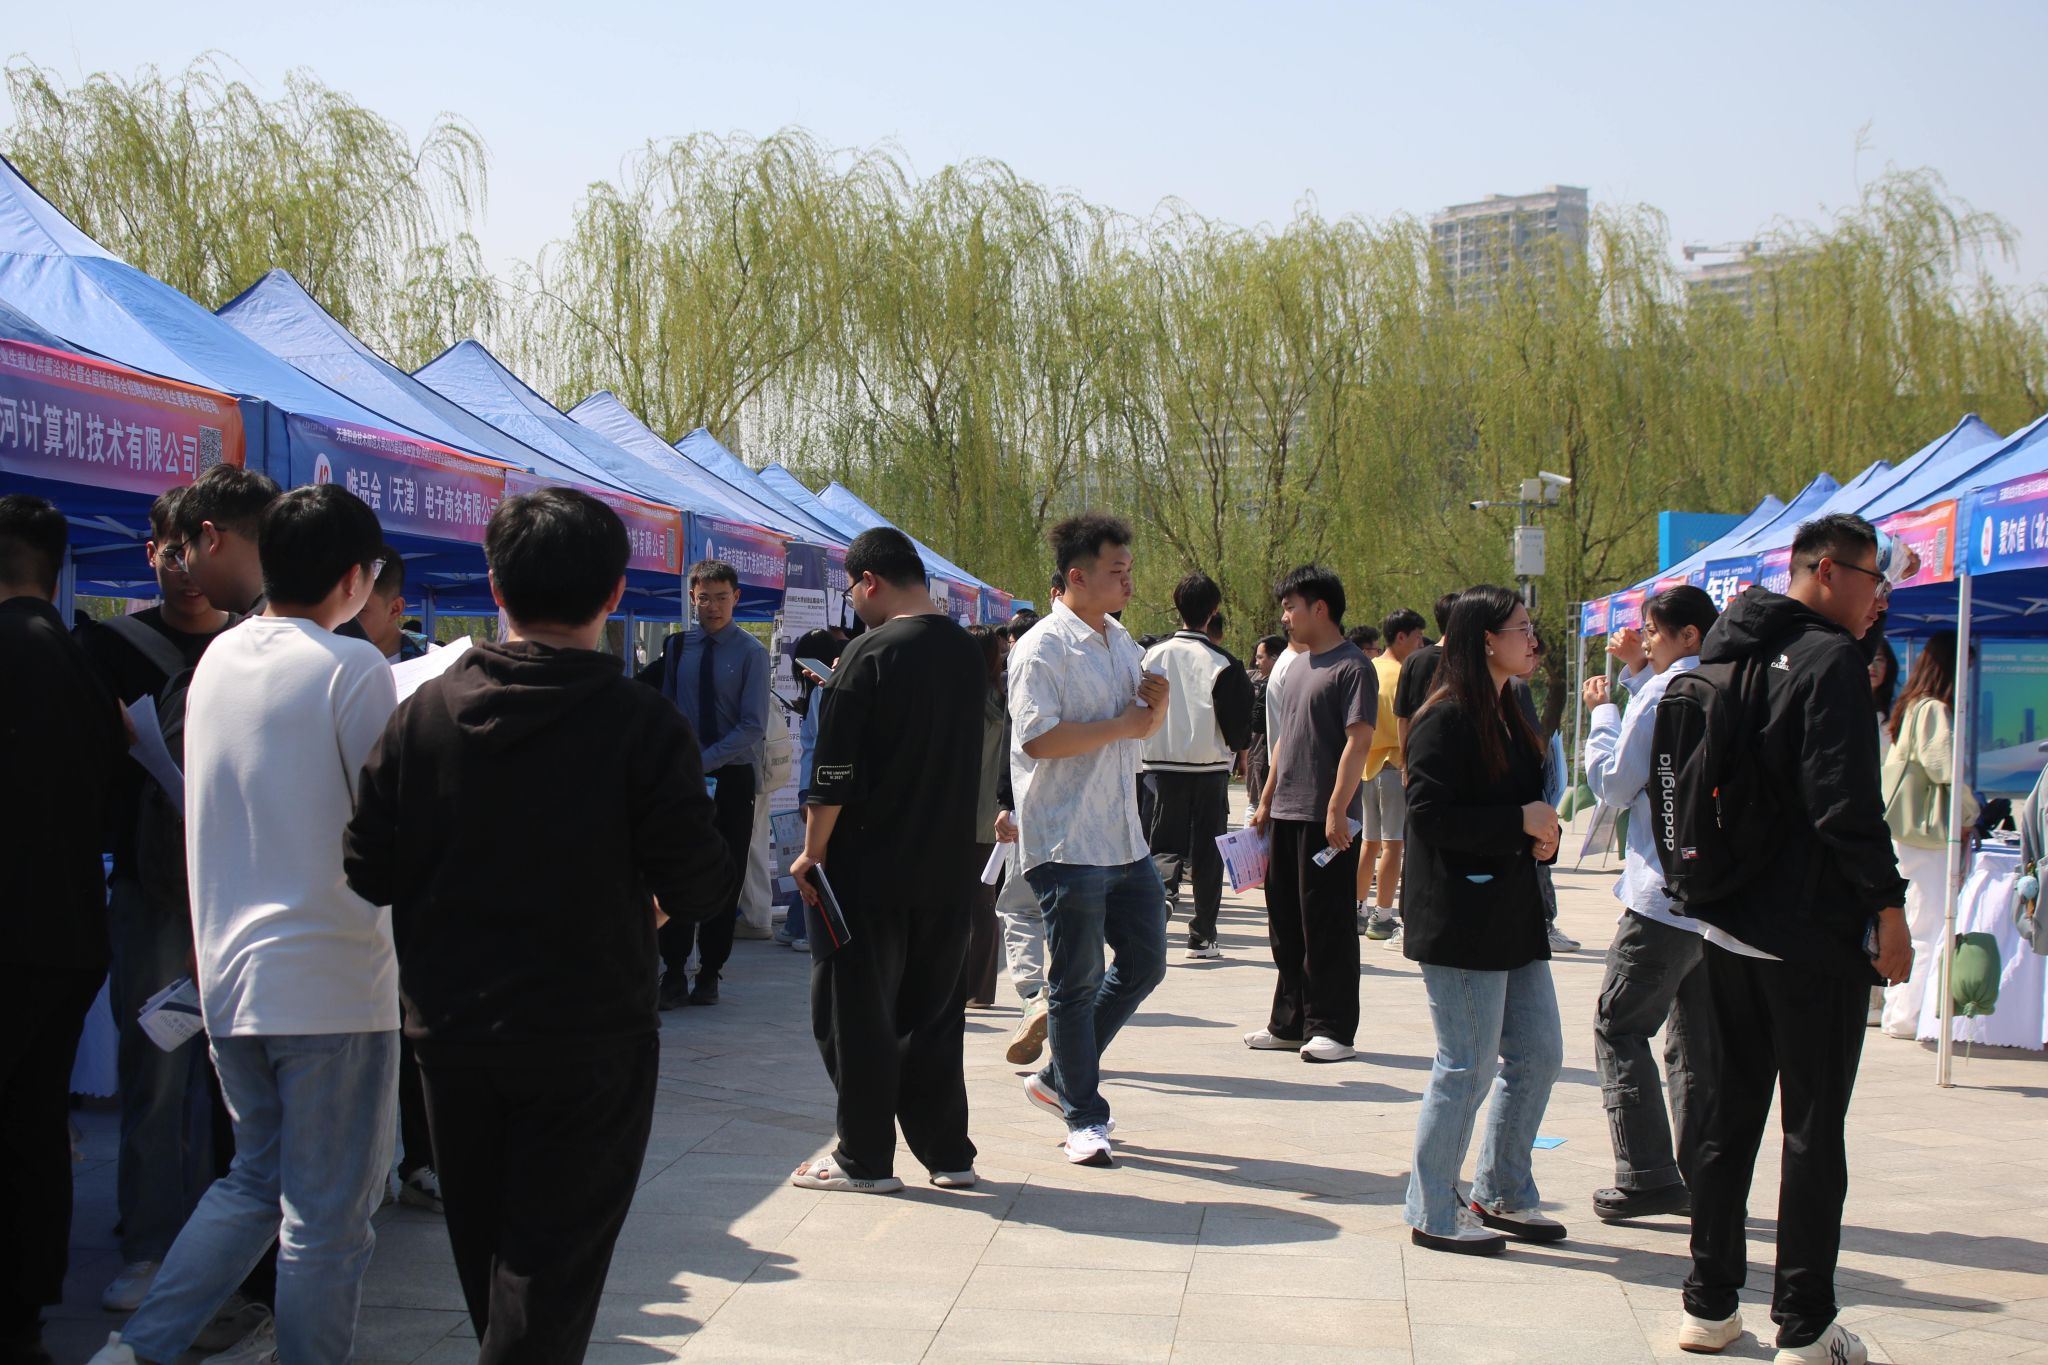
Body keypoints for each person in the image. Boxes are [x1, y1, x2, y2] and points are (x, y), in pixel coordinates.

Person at [342, 487, 734, 1360]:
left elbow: (366, 865)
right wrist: (643, 900)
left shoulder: (425, 714)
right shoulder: (641, 723)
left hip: (453, 1030)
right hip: (588, 1033)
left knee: (497, 1268)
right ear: (614, 592)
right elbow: (701, 879)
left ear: (495, 585)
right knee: (547, 1277)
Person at [92, 485, 399, 1365]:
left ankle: (134, 1350)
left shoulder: (220, 658)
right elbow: (389, 820)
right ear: (354, 577)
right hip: (334, 983)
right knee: (328, 1220)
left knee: (254, 1183)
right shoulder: (353, 668)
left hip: (233, 976)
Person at [1677, 513, 1911, 1365]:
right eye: (1873, 579)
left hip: (1726, 920)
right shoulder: (1828, 661)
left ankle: (1708, 1305)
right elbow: (1846, 805)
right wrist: (1888, 909)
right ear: (1825, 570)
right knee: (1812, 1129)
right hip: (1809, 935)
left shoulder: (1731, 648)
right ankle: (1806, 1327)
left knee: (1726, 1116)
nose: (1880, 598)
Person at [73, 489, 237, 1315]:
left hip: (237, 896)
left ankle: (218, 1250)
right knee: (158, 1071)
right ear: (152, 555)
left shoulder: (250, 649)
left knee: (233, 1082)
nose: (185, 567)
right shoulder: (106, 648)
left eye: (195, 548)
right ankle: (148, 1244)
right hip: (154, 893)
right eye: (169, 550)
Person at [789, 527, 988, 1192]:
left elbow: (833, 772)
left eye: (852, 588)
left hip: (869, 870)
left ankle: (865, 1157)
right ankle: (948, 1154)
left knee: (855, 1014)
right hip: (947, 866)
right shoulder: (967, 653)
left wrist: (811, 853)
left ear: (869, 581)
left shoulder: (868, 653)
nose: (854, 601)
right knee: (935, 1017)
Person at [1, 495, 128, 1365]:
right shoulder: (85, 664)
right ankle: (24, 1317)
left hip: (11, 931)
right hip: (71, 930)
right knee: (36, 1126)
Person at [1401, 585, 1564, 1256]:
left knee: (1539, 1052)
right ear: (1486, 639)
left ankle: (1501, 1187)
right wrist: (1516, 822)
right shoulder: (1445, 717)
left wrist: (1542, 834)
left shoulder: (1510, 708)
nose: (1533, 640)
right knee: (1465, 1063)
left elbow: (1529, 802)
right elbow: (1429, 815)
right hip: (1461, 916)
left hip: (1512, 912)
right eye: (1521, 629)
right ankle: (1433, 1207)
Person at [1006, 515, 1169, 1168]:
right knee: (1075, 983)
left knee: (1146, 962)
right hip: (1067, 839)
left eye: (1129, 570)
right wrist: (1125, 722)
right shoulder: (1042, 648)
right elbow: (1038, 738)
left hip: (1123, 836)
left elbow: (1137, 729)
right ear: (1076, 576)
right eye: (1116, 571)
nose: (1128, 582)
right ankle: (1084, 1115)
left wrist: (1153, 708)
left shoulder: (1120, 639)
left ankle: (1057, 1079)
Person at [1580, 587, 1719, 1224]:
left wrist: (1604, 714)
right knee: (1694, 1043)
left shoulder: (1664, 691)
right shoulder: (1723, 684)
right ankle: (1703, 1174)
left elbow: (1615, 782)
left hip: (1660, 895)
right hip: (1713, 899)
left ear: (1688, 636)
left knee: (1619, 1024)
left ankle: (1647, 1173)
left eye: (1655, 633)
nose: (1646, 641)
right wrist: (1638, 670)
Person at [1244, 566, 1374, 1063]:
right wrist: (1265, 801)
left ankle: (1332, 1028)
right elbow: (1284, 741)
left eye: (1291, 607)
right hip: (1286, 813)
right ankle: (1290, 1022)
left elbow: (1358, 741)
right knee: (1286, 921)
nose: (1285, 617)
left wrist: (1337, 808)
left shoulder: (1352, 667)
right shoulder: (1296, 667)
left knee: (1327, 922)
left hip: (1327, 821)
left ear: (1320, 608)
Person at [638, 560, 769, 1007]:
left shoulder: (751, 653)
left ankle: (710, 970)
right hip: (685, 780)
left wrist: (703, 760)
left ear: (736, 598)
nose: (712, 607)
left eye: (721, 598)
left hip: (731, 777)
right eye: (704, 598)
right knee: (676, 868)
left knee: (724, 873)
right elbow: (666, 709)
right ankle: (673, 971)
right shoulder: (678, 648)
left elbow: (753, 726)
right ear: (692, 598)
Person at [1140, 573, 1255, 961]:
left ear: (1176, 605)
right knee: (1208, 853)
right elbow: (1238, 727)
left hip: (1159, 766)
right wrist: (1237, 749)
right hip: (1208, 769)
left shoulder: (1151, 656)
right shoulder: (1224, 663)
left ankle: (1162, 899)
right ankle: (1202, 935)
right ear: (1214, 610)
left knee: (1162, 845)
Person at [1878, 631, 1971, 1039]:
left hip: (1906, 830)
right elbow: (1945, 767)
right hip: (1928, 834)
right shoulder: (1934, 709)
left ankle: (1899, 1012)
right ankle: (1907, 1016)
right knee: (1928, 925)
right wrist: (1971, 811)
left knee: (1915, 919)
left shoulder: (1912, 705)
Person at [1360, 608, 1425, 942]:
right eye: (1418, 638)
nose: (1421, 645)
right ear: (1401, 637)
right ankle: (1383, 915)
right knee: (1393, 845)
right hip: (1396, 766)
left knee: (1369, 843)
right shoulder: (1406, 673)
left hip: (1366, 766)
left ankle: (1358, 908)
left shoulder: (1368, 669)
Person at [962, 623, 1010, 1004]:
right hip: (994, 813)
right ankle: (979, 988)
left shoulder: (965, 702)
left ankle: (971, 987)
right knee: (984, 902)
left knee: (969, 904)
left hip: (964, 812)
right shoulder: (1005, 700)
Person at [354, 547, 433, 662]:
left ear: (395, 609)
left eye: (360, 609)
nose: (346, 619)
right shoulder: (334, 661)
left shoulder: (434, 663)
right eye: (342, 608)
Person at [1869, 633, 1899, 760]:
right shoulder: (1840, 709)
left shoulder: (1897, 712)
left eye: (1879, 659)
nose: (1872, 666)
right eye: (1866, 659)